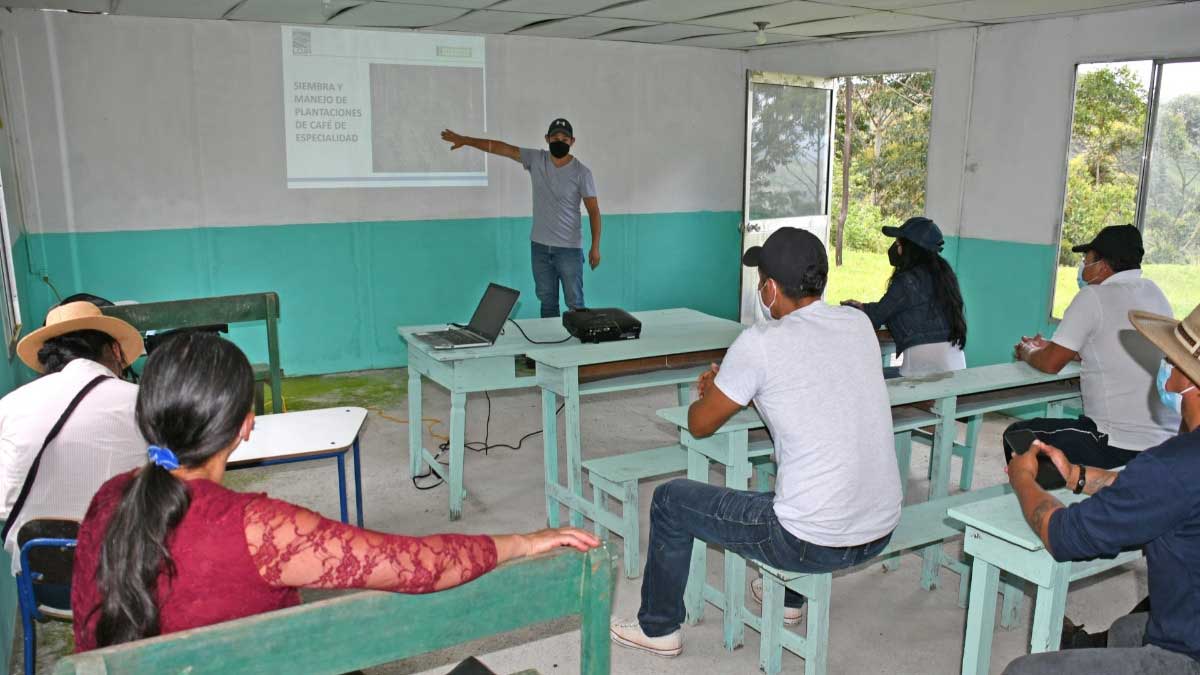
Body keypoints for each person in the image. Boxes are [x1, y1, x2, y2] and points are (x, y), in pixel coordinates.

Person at [71, 331, 598, 650]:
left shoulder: (107, 499)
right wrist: (525, 542)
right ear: (245, 426)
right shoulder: (260, 530)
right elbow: (418, 564)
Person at [609, 228, 901, 657]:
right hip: (879, 528)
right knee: (807, 488)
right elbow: (811, 391)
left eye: (760, 280)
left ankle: (657, 628)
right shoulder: (857, 324)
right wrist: (734, 386)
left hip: (809, 541)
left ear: (769, 288)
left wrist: (716, 391)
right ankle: (790, 601)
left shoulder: (761, 343)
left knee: (672, 499)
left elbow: (700, 425)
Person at [1001, 301, 1200, 675]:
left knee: (1021, 672)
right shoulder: (1176, 471)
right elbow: (1160, 494)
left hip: (1190, 655)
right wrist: (1078, 475)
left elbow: (1063, 536)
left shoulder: (1173, 466)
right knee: (1126, 630)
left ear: (1186, 379)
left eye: (1171, 359)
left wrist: (1023, 479)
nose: (1167, 368)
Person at [1007, 224, 1178, 470]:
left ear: (1104, 265)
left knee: (1017, 435)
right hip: (1164, 442)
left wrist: (1028, 351)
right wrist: (1057, 347)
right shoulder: (1153, 293)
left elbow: (1050, 364)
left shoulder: (1093, 297)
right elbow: (1112, 346)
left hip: (1115, 442)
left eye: (1087, 258)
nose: (1083, 265)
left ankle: (1043, 504)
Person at [1, 301, 145, 573]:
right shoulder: (140, 402)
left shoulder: (8, 407)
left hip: (44, 583)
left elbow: (4, 507)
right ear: (115, 350)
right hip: (126, 579)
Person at [441, 119, 601, 318]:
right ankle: (550, 344)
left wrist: (595, 246)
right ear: (546, 139)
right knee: (547, 303)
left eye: (564, 139)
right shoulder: (536, 159)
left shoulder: (581, 172)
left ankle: (578, 348)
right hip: (540, 249)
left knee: (575, 304)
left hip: (569, 250)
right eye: (555, 138)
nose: (559, 141)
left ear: (572, 141)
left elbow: (594, 211)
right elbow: (502, 148)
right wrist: (466, 140)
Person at [842, 216, 967, 378]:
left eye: (899, 244)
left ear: (910, 249)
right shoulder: (945, 276)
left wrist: (854, 306)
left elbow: (876, 316)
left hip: (924, 373)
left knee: (867, 380)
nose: (895, 248)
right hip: (956, 369)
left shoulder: (907, 281)